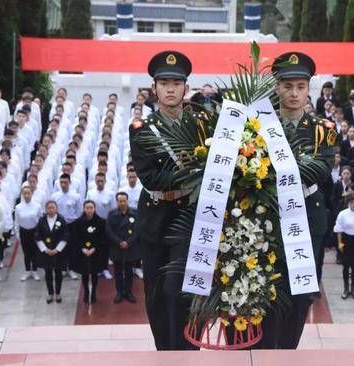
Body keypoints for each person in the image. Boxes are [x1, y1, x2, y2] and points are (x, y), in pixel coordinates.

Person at [129, 50, 204, 350]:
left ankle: (188, 349)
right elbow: (151, 179)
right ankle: (167, 353)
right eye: (164, 83)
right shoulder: (141, 131)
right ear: (154, 89)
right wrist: (193, 172)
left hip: (189, 215)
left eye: (177, 82)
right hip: (156, 216)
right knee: (157, 295)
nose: (171, 89)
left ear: (186, 88)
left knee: (182, 289)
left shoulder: (200, 126)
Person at [271, 51, 334, 349]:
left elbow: (320, 170)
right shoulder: (260, 127)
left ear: (308, 89)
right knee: (270, 287)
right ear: (276, 86)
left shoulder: (323, 129)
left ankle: (288, 349)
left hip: (307, 217)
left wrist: (279, 168)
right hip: (269, 216)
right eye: (287, 86)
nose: (294, 93)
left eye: (300, 86)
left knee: (301, 293)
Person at [106, 192, 140, 304]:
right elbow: (109, 231)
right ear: (117, 202)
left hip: (130, 247)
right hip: (117, 247)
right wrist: (119, 242)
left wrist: (128, 242)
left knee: (130, 271)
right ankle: (119, 292)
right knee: (118, 271)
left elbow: (138, 230)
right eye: (120, 201)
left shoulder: (135, 213)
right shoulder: (112, 214)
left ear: (127, 201)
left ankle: (129, 292)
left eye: (124, 201)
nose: (122, 203)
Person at [70, 200, 106, 304]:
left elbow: (102, 238)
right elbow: (76, 238)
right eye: (87, 208)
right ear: (84, 209)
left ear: (94, 209)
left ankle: (93, 291)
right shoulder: (77, 223)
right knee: (85, 273)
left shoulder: (101, 222)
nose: (89, 210)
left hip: (96, 251)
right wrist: (83, 248)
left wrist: (94, 248)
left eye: (91, 208)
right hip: (83, 252)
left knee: (94, 273)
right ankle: (86, 291)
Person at [35, 201, 68, 304]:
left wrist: (57, 249)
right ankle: (50, 293)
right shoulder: (42, 220)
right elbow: (37, 235)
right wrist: (45, 249)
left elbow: (66, 235)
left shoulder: (61, 220)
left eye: (53, 208)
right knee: (48, 273)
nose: (51, 210)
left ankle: (58, 293)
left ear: (56, 208)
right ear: (46, 209)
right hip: (46, 252)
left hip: (58, 252)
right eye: (49, 208)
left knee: (58, 273)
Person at [14, 186, 42, 281]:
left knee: (34, 252)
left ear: (31, 194)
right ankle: (27, 271)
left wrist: (39, 233)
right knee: (26, 253)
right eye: (24, 193)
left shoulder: (37, 206)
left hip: (34, 231)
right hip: (24, 232)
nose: (26, 195)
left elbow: (40, 220)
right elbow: (16, 222)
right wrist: (18, 234)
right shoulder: (18, 207)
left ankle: (34, 270)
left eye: (28, 193)